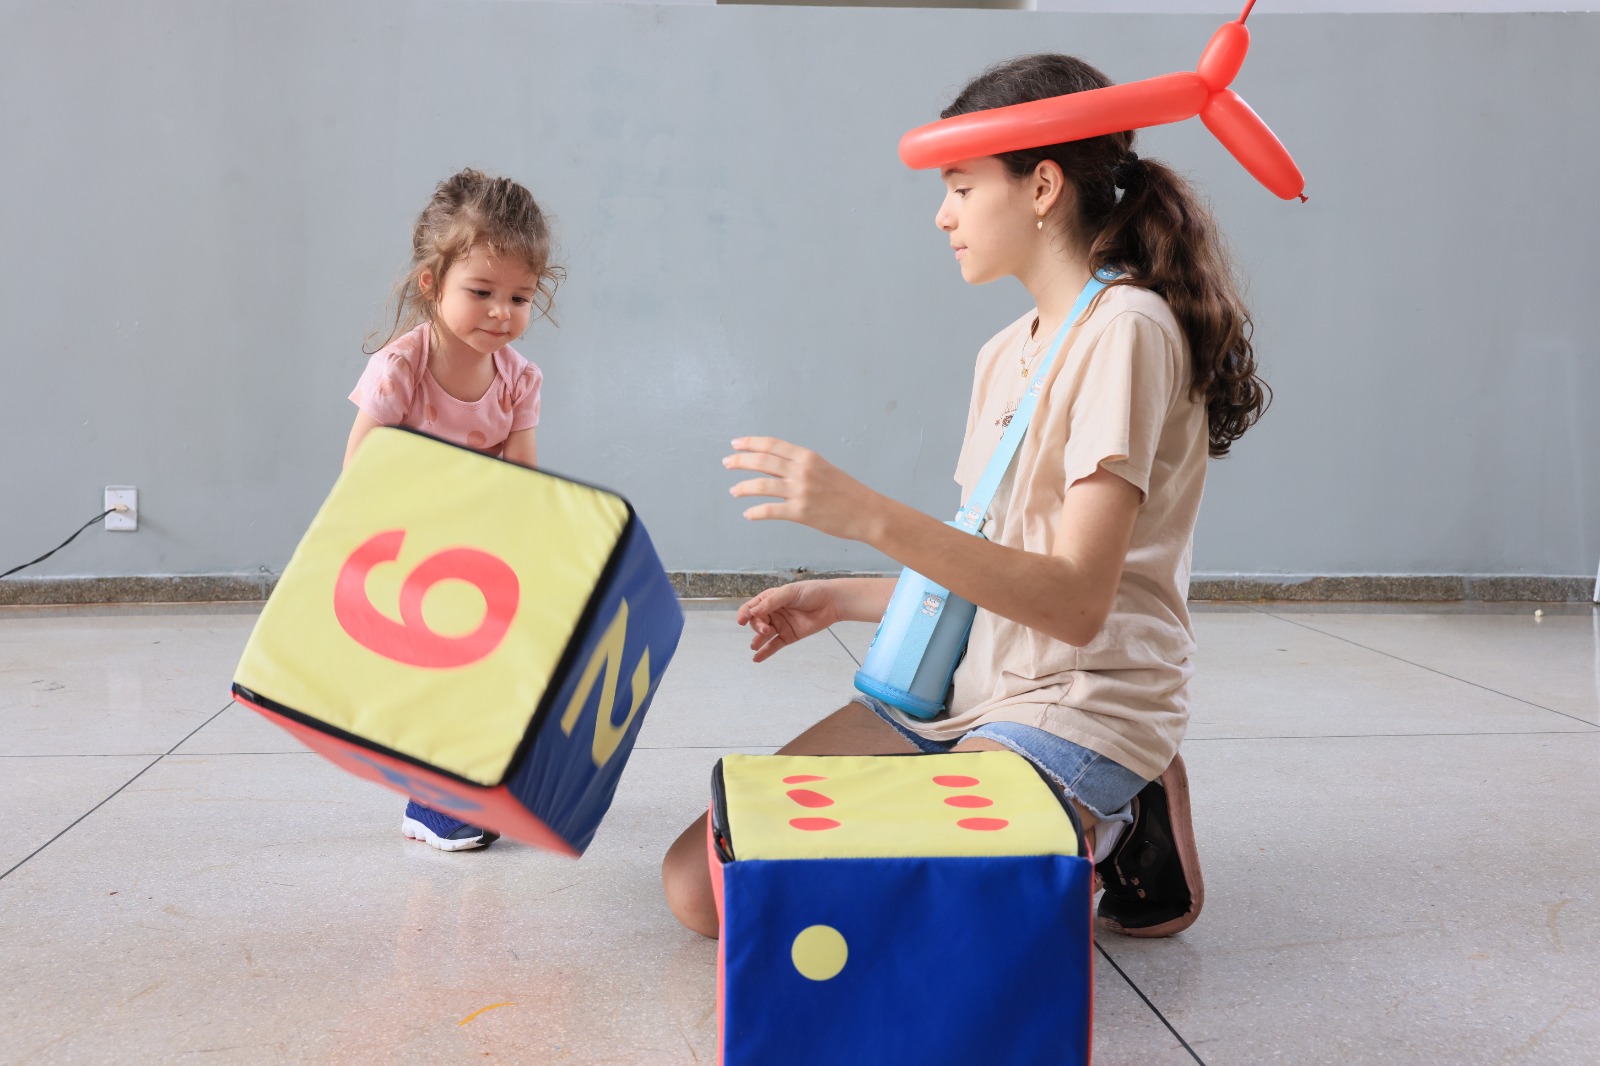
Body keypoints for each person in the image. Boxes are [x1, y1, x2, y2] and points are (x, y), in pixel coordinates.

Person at [661, 53, 1269, 937]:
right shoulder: (1002, 353)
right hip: (966, 689)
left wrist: (866, 514)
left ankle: (1125, 802)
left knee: (924, 916)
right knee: (706, 888)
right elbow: (994, 570)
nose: (942, 215)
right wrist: (846, 599)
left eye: (958, 186)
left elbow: (1073, 601)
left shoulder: (1129, 332)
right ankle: (1071, 825)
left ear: (1042, 185)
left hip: (1082, 696)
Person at [344, 167, 563, 851]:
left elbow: (523, 473)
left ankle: (480, 776)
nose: (503, 311)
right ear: (431, 284)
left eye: (520, 297)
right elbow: (362, 467)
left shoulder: (519, 379)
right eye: (482, 292)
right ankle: (430, 801)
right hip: (404, 546)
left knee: (499, 666)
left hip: (476, 550)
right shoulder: (400, 369)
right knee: (429, 678)